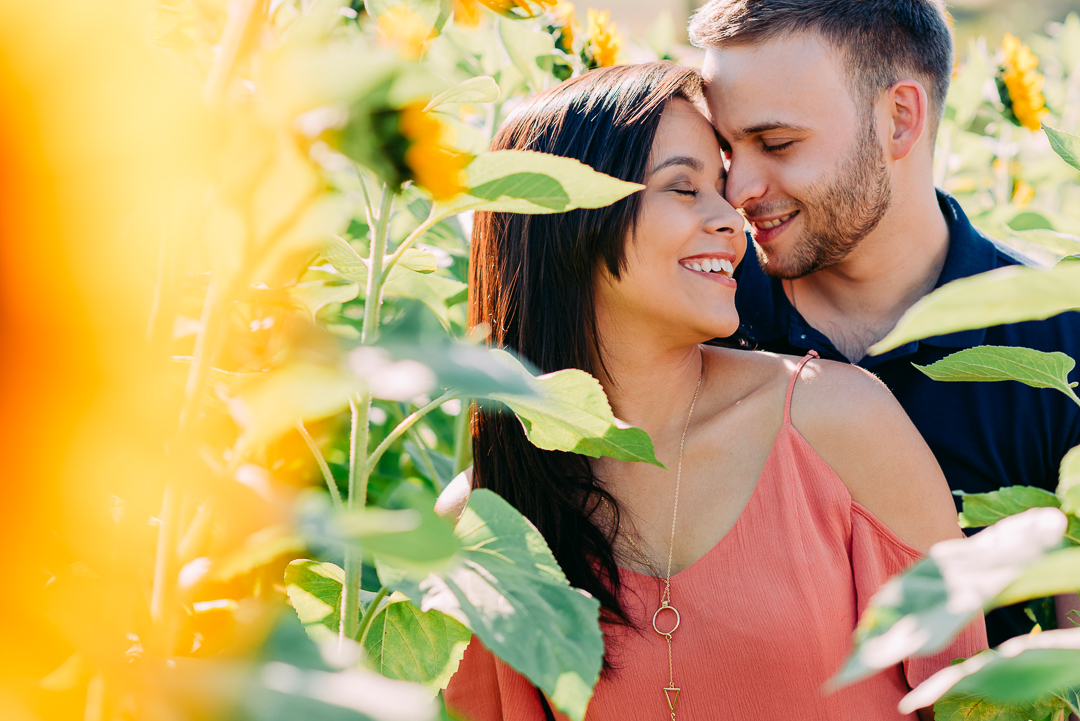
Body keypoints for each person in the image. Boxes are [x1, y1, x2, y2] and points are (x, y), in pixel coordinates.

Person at [440, 62, 985, 721]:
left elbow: (972, 702)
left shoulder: (837, 423)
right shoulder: (487, 514)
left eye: (720, 190)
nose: (733, 220)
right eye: (684, 188)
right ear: (571, 221)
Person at [688, 0, 1080, 646]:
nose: (738, 190)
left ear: (900, 119)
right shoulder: (706, 314)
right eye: (727, 148)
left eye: (777, 142)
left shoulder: (1055, 341)